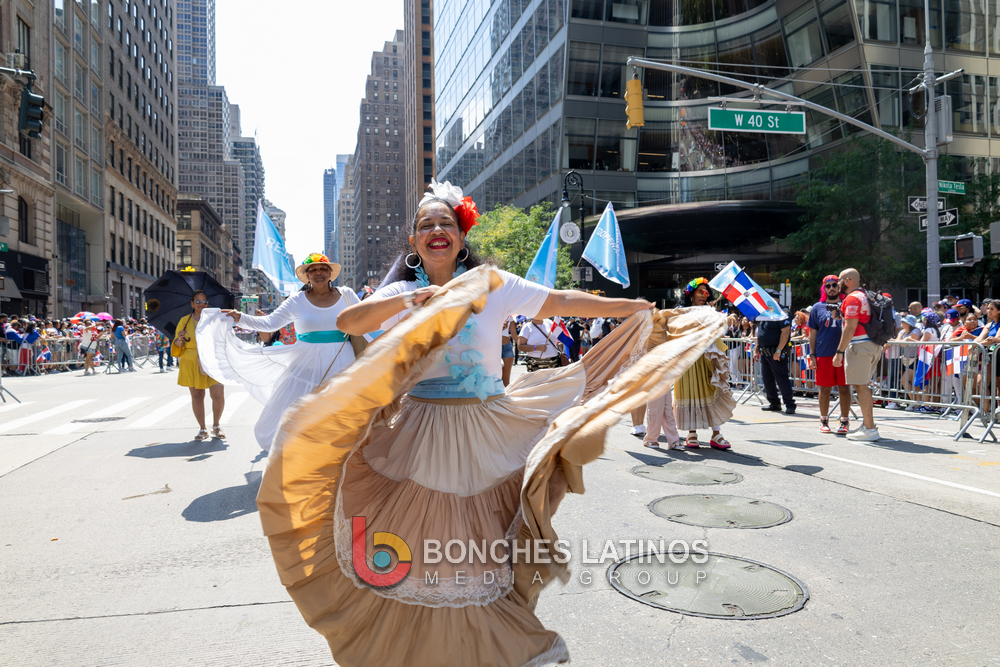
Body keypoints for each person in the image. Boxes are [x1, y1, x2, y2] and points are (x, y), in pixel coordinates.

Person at [257, 181, 717, 667]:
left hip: (490, 428)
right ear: (414, 243)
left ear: (461, 237)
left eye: (446, 223)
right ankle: (422, 649)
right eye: (426, 225)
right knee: (425, 549)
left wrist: (633, 307)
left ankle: (487, 645)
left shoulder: (492, 283)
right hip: (419, 432)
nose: (436, 230)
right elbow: (351, 321)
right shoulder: (403, 291)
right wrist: (410, 303)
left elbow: (560, 301)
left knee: (482, 552)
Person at [198, 253, 362, 453]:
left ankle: (340, 455)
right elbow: (270, 323)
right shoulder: (297, 300)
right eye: (313, 270)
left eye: (323, 268)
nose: (318, 272)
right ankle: (306, 455)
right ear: (307, 276)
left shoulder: (346, 295)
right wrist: (240, 317)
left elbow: (366, 318)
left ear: (330, 273)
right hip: (306, 362)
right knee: (300, 410)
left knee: (341, 410)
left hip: (342, 360)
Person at [674, 278, 736, 449]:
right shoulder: (682, 312)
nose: (704, 295)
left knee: (712, 389)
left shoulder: (710, 311)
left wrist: (724, 319)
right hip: (688, 359)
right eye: (700, 291)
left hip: (708, 358)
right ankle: (691, 433)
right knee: (690, 392)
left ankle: (716, 433)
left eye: (706, 292)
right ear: (690, 294)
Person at [172, 290, 226, 441]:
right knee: (197, 396)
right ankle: (202, 428)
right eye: (198, 301)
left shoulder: (215, 320)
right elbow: (177, 345)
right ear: (192, 304)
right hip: (192, 361)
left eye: (204, 301)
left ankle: (216, 425)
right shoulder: (184, 321)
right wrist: (180, 338)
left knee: (218, 394)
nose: (201, 304)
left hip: (213, 360)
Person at [833, 268, 880, 441]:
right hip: (872, 344)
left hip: (859, 346)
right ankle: (868, 425)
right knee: (863, 385)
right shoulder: (865, 295)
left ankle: (870, 429)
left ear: (847, 281)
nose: (837, 284)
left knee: (861, 386)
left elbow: (850, 328)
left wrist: (839, 351)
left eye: (839, 280)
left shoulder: (852, 298)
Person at [807, 275, 851, 432]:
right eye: (828, 286)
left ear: (839, 287)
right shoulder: (817, 307)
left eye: (834, 285)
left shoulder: (847, 304)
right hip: (823, 353)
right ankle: (824, 420)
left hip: (845, 353)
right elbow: (812, 333)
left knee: (844, 388)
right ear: (824, 288)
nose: (831, 288)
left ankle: (844, 421)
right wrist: (812, 355)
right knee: (824, 389)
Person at [756, 301, 796, 415]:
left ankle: (790, 404)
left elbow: (786, 331)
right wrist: (756, 350)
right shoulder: (764, 312)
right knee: (767, 379)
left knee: (781, 379)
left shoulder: (782, 312)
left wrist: (778, 350)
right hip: (765, 351)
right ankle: (774, 403)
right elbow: (760, 332)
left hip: (776, 351)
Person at [500, 316, 516, 386]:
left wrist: (523, 345)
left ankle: (505, 393)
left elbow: (514, 335)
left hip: (507, 348)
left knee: (506, 381)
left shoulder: (510, 316)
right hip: (494, 348)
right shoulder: (491, 313)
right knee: (494, 377)